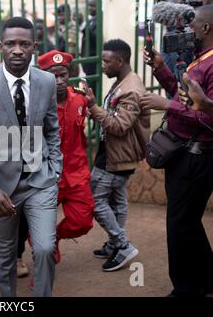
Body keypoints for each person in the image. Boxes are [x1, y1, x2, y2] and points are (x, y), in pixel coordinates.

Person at [0, 17, 62, 297]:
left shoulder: (46, 81)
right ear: (0, 46)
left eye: (24, 43)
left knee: (44, 248)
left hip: (40, 180)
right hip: (0, 187)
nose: (17, 49)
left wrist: (55, 170)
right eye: (10, 43)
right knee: (5, 255)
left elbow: (52, 129)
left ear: (34, 46)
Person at [142, 4, 213, 297]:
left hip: (198, 157)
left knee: (179, 223)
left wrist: (165, 106)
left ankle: (185, 290)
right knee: (188, 221)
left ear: (206, 28)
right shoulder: (201, 59)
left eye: (192, 25)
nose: (187, 29)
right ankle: (208, 280)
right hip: (186, 153)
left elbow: (208, 118)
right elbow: (184, 99)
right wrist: (160, 68)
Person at [84, 39, 150, 272]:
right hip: (115, 152)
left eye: (106, 61)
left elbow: (120, 126)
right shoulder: (123, 81)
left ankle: (122, 245)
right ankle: (114, 244)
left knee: (94, 200)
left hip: (117, 155)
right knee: (117, 200)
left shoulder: (131, 89)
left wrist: (92, 107)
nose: (102, 65)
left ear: (120, 61)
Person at [38, 50, 95, 263]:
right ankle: (42, 274)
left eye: (63, 75)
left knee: (83, 221)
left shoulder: (80, 99)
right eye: (54, 76)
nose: (60, 81)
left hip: (76, 174)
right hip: (45, 176)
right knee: (40, 237)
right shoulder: (36, 104)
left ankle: (56, 237)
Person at [81, 0, 98, 89]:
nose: (90, 8)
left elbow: (95, 39)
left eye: (93, 6)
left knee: (93, 88)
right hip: (87, 62)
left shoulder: (100, 19)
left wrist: (81, 26)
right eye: (89, 5)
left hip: (93, 62)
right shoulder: (91, 20)